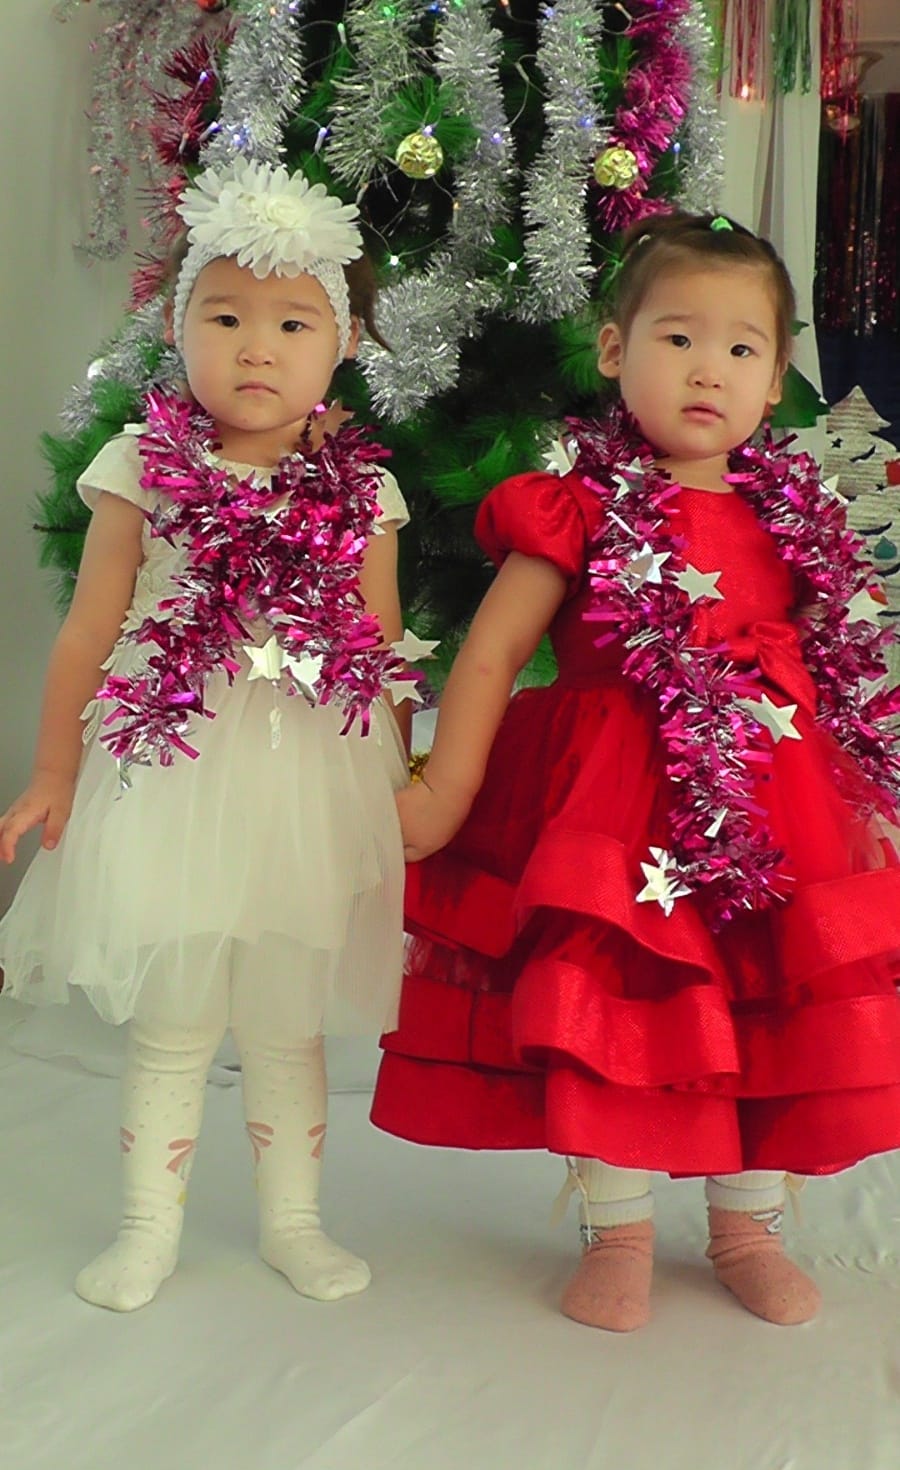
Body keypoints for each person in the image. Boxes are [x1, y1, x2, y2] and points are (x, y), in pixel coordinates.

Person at [372, 212, 900, 1332]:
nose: (709, 369)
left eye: (742, 348)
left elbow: (842, 675)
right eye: (678, 338)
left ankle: (748, 1225)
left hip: (769, 805)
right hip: (613, 814)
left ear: (774, 383)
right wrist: (446, 789)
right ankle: (615, 1225)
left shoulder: (795, 526)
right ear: (616, 350)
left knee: (768, 998)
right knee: (608, 1004)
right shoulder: (577, 510)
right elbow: (493, 653)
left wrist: (868, 798)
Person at [0, 157, 425, 1313]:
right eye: (225, 316)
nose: (256, 348)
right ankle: (148, 1227)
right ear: (176, 327)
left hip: (307, 781)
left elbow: (383, 652)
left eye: (292, 323)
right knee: (177, 1017)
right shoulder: (141, 469)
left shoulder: (364, 492)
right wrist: (54, 769)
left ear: (342, 344)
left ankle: (295, 1222)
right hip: (171, 769)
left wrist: (400, 790)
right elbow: (90, 633)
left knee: (287, 1024)